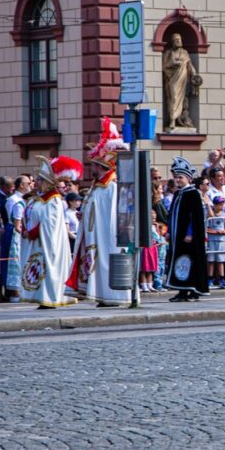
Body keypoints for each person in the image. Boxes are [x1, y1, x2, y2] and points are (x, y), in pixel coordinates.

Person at [67, 117, 132, 307]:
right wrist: (83, 214)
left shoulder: (111, 186)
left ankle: (112, 296)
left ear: (102, 167)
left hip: (107, 236)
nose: (92, 168)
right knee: (97, 264)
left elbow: (114, 215)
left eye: (94, 165)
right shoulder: (98, 186)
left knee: (106, 264)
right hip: (95, 235)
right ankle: (102, 295)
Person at [20, 156, 81, 308]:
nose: (36, 183)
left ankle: (50, 297)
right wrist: (24, 228)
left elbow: (49, 225)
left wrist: (32, 233)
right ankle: (40, 296)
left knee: (46, 268)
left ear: (47, 182)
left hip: (46, 243)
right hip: (35, 243)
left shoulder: (54, 200)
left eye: (40, 180)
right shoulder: (37, 199)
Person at [166, 157, 209, 301]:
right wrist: (169, 232)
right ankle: (182, 290)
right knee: (180, 262)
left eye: (180, 177)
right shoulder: (178, 194)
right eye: (176, 177)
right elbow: (172, 214)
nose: (177, 180)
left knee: (188, 262)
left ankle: (192, 289)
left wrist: (190, 233)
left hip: (188, 237)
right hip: (178, 237)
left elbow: (195, 217)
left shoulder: (193, 194)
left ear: (188, 178)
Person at [2, 174, 32, 303]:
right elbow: (15, 221)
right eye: (28, 183)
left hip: (21, 232)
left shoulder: (24, 200)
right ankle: (13, 291)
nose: (30, 185)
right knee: (13, 262)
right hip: (15, 233)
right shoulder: (14, 200)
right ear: (21, 185)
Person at [162, 32, 201, 130]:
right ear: (173, 42)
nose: (179, 41)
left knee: (183, 100)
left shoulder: (185, 52)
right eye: (177, 40)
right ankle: (172, 120)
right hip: (173, 79)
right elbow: (164, 66)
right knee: (174, 98)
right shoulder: (169, 53)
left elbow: (189, 65)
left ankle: (178, 120)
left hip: (183, 79)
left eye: (180, 39)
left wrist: (194, 74)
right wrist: (172, 64)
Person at [206, 195, 225, 288]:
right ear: (214, 205)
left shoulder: (224, 215)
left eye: (222, 204)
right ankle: (210, 278)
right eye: (219, 204)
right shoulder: (210, 216)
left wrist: (224, 231)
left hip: (221, 240)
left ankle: (222, 278)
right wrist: (216, 232)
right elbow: (207, 229)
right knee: (211, 260)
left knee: (220, 260)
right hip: (212, 240)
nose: (221, 206)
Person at [139, 210, 159, 293]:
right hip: (146, 248)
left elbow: (157, 237)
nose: (153, 220)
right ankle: (144, 284)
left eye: (154, 218)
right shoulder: (144, 226)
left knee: (151, 268)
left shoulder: (154, 226)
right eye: (152, 218)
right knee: (144, 267)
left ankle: (150, 284)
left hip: (153, 247)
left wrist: (157, 228)